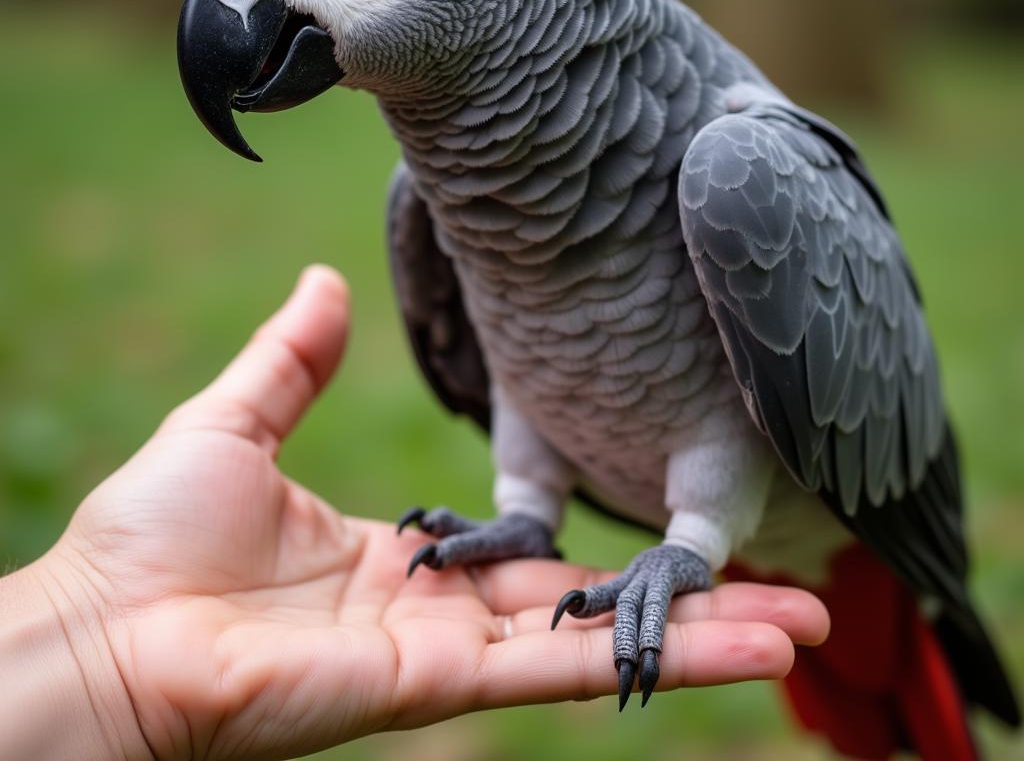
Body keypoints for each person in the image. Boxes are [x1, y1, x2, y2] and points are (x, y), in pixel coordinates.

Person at [0, 265, 828, 760]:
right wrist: (95, 657)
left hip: (788, 495)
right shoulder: (441, 191)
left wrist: (692, 542)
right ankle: (529, 509)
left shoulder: (733, 162)